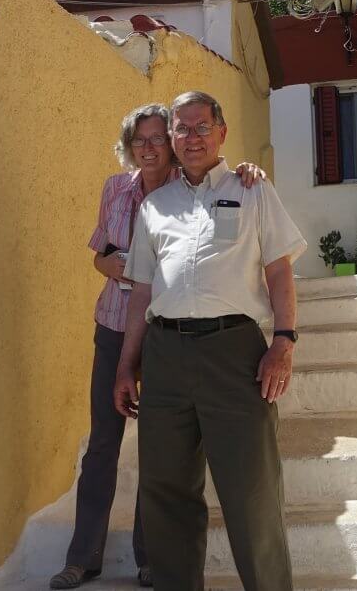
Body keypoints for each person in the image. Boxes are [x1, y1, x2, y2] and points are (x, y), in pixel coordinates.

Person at [49, 103, 266, 590]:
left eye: (156, 139)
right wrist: (139, 270)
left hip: (166, 334)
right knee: (102, 443)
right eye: (138, 141)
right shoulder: (115, 189)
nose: (147, 149)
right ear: (129, 147)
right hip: (113, 326)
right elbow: (100, 258)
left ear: (170, 143)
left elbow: (186, 256)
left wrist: (136, 271)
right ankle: (83, 556)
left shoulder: (184, 190)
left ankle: (153, 558)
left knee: (161, 452)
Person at [114, 91, 306, 591]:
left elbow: (280, 271)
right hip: (165, 356)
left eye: (202, 127)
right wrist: (125, 365)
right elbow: (141, 292)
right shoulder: (154, 207)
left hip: (235, 355)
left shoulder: (253, 191)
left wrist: (283, 342)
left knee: (252, 492)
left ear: (221, 132)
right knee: (166, 491)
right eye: (182, 129)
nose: (192, 137)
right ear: (173, 140)